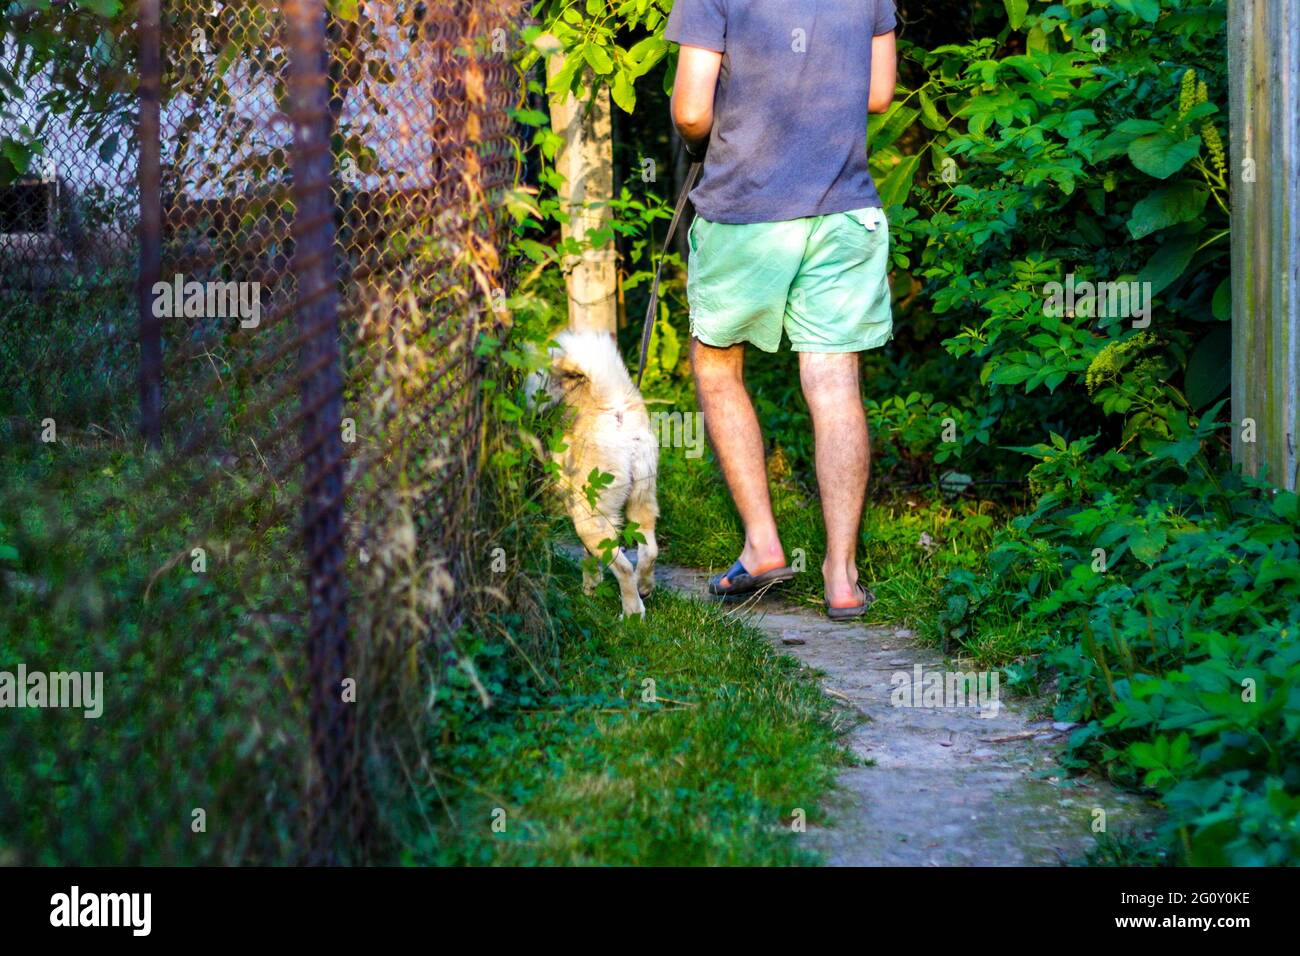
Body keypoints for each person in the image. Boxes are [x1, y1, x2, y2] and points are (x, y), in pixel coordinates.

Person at [665, 0, 899, 620]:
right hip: (845, 209)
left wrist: (701, 143)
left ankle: (764, 544)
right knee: (834, 381)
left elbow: (690, 108)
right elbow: (878, 94)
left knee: (717, 367)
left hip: (745, 209)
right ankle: (841, 577)